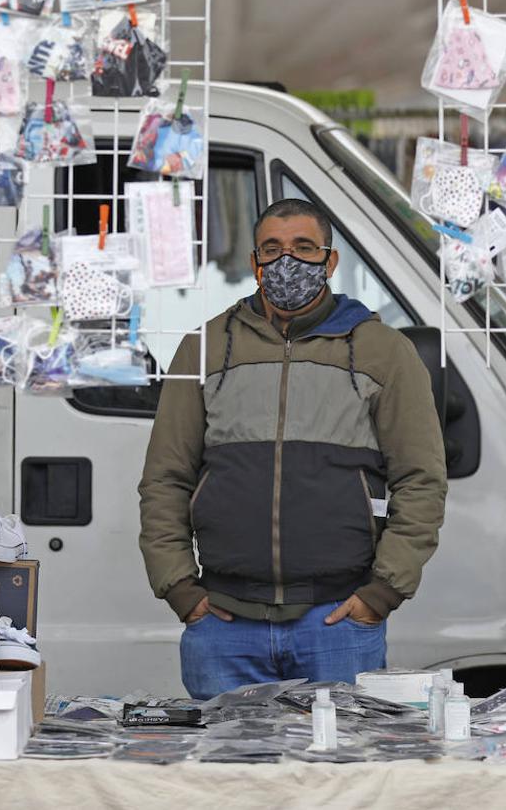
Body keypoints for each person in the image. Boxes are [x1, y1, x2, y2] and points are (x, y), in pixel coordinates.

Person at [138, 198, 448, 700]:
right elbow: (165, 478)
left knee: (339, 775)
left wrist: (382, 593)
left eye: (304, 248)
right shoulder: (206, 347)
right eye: (273, 249)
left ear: (330, 260)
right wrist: (179, 587)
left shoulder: (382, 350)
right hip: (223, 626)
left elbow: (421, 478)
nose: (288, 262)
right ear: (254, 262)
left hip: (337, 625)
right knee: (227, 773)